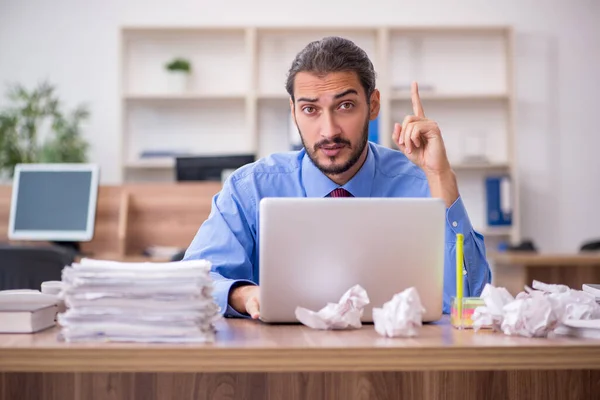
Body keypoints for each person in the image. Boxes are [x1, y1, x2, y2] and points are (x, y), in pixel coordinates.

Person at [183, 36, 491, 319]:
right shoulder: (250, 188)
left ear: (372, 105)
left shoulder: (423, 182)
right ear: (294, 112)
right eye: (310, 109)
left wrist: (441, 177)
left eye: (345, 106)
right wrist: (244, 294)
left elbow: (472, 300)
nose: (329, 130)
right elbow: (194, 282)